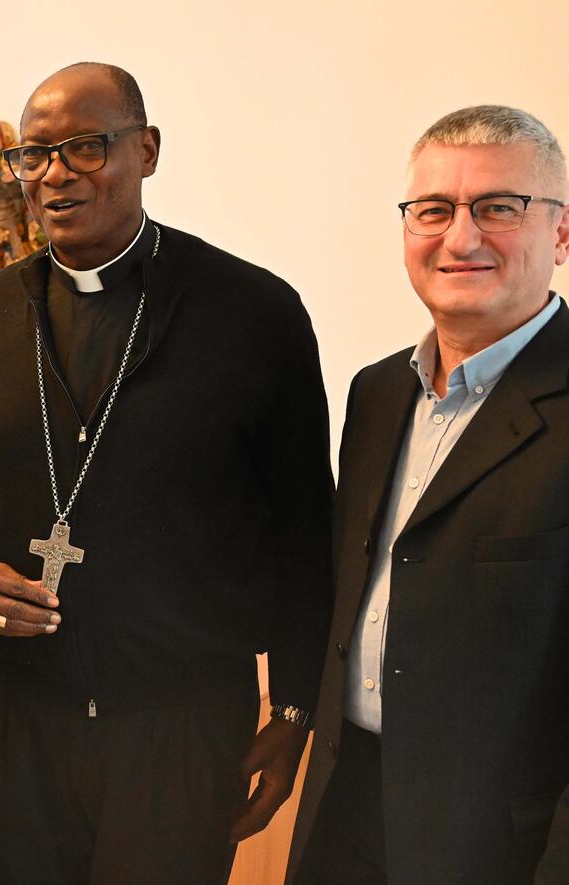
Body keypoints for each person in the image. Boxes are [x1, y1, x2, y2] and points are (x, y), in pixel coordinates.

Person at [0, 62, 333, 884]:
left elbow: (306, 526)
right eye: (34, 156)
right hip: (28, 717)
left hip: (181, 726)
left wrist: (293, 708)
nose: (54, 175)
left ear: (145, 150)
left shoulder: (255, 313)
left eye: (85, 147)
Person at [289, 105, 569, 885]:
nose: (461, 237)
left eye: (498, 207)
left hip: (497, 844)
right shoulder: (376, 393)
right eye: (434, 210)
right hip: (343, 808)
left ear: (561, 233)